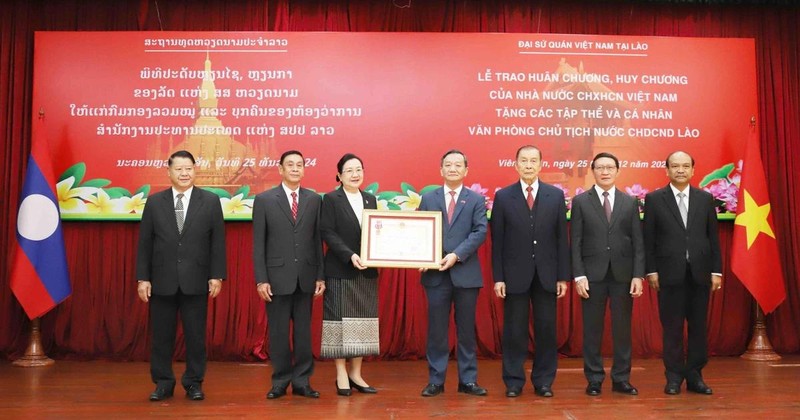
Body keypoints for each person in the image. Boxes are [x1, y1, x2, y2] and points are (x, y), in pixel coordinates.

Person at [136, 150, 226, 402]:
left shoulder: (209, 201)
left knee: (196, 337)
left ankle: (194, 382)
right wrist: (143, 278)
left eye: (189, 168)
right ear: (169, 172)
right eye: (179, 169)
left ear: (195, 170)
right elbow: (145, 243)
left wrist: (216, 275)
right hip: (162, 280)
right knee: (161, 337)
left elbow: (217, 242)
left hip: (196, 280)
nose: (184, 173)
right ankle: (163, 383)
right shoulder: (154, 202)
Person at [491, 145, 569, 398]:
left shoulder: (555, 196)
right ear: (515, 164)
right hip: (515, 275)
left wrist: (562, 276)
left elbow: (561, 240)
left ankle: (544, 381)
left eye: (533, 161)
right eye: (523, 161)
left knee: (547, 330)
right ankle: (513, 381)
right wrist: (499, 278)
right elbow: (498, 242)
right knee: (514, 331)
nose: (528, 165)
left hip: (547, 275)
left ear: (541, 165)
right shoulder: (503, 197)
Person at [644, 150, 722, 396]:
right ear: (666, 170)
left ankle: (695, 376)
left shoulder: (705, 198)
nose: (680, 170)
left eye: (685, 166)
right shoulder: (655, 199)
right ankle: (674, 377)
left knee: (699, 327)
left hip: (700, 274)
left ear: (693, 170)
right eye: (675, 166)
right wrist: (651, 270)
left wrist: (716, 271)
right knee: (672, 328)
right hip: (668, 275)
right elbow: (649, 240)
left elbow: (713, 239)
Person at [253, 150, 325, 399]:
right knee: (279, 333)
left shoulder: (314, 200)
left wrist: (320, 276)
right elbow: (258, 243)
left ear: (304, 170)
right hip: (276, 278)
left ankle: (302, 381)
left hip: (306, 277)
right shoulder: (264, 200)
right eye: (290, 165)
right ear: (280, 170)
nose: (295, 168)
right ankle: (280, 380)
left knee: (304, 334)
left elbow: (317, 241)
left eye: (299, 165)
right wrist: (261, 279)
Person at [570, 152, 644, 397]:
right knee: (592, 330)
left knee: (622, 330)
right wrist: (579, 276)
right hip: (592, 276)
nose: (605, 171)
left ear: (617, 171)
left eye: (609, 167)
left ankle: (621, 378)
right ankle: (594, 379)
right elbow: (576, 242)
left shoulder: (630, 202)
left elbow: (638, 242)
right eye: (600, 167)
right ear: (592, 170)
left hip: (623, 275)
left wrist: (638, 275)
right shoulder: (580, 202)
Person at [418, 150, 489, 397]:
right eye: (448, 164)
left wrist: (456, 255)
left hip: (465, 274)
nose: (453, 168)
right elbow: (420, 231)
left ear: (466, 170)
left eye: (458, 165)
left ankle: (467, 380)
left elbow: (480, 232)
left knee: (466, 330)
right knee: (437, 331)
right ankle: (436, 381)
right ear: (441, 170)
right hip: (436, 276)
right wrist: (420, 255)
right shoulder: (428, 198)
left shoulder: (476, 200)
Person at [320, 153, 380, 397]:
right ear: (339, 175)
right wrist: (349, 255)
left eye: (359, 169)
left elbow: (377, 232)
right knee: (338, 323)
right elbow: (328, 232)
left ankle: (356, 373)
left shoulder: (370, 199)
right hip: (340, 269)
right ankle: (341, 374)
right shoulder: (331, 199)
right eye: (349, 170)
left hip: (366, 270)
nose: (355, 174)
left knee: (362, 323)